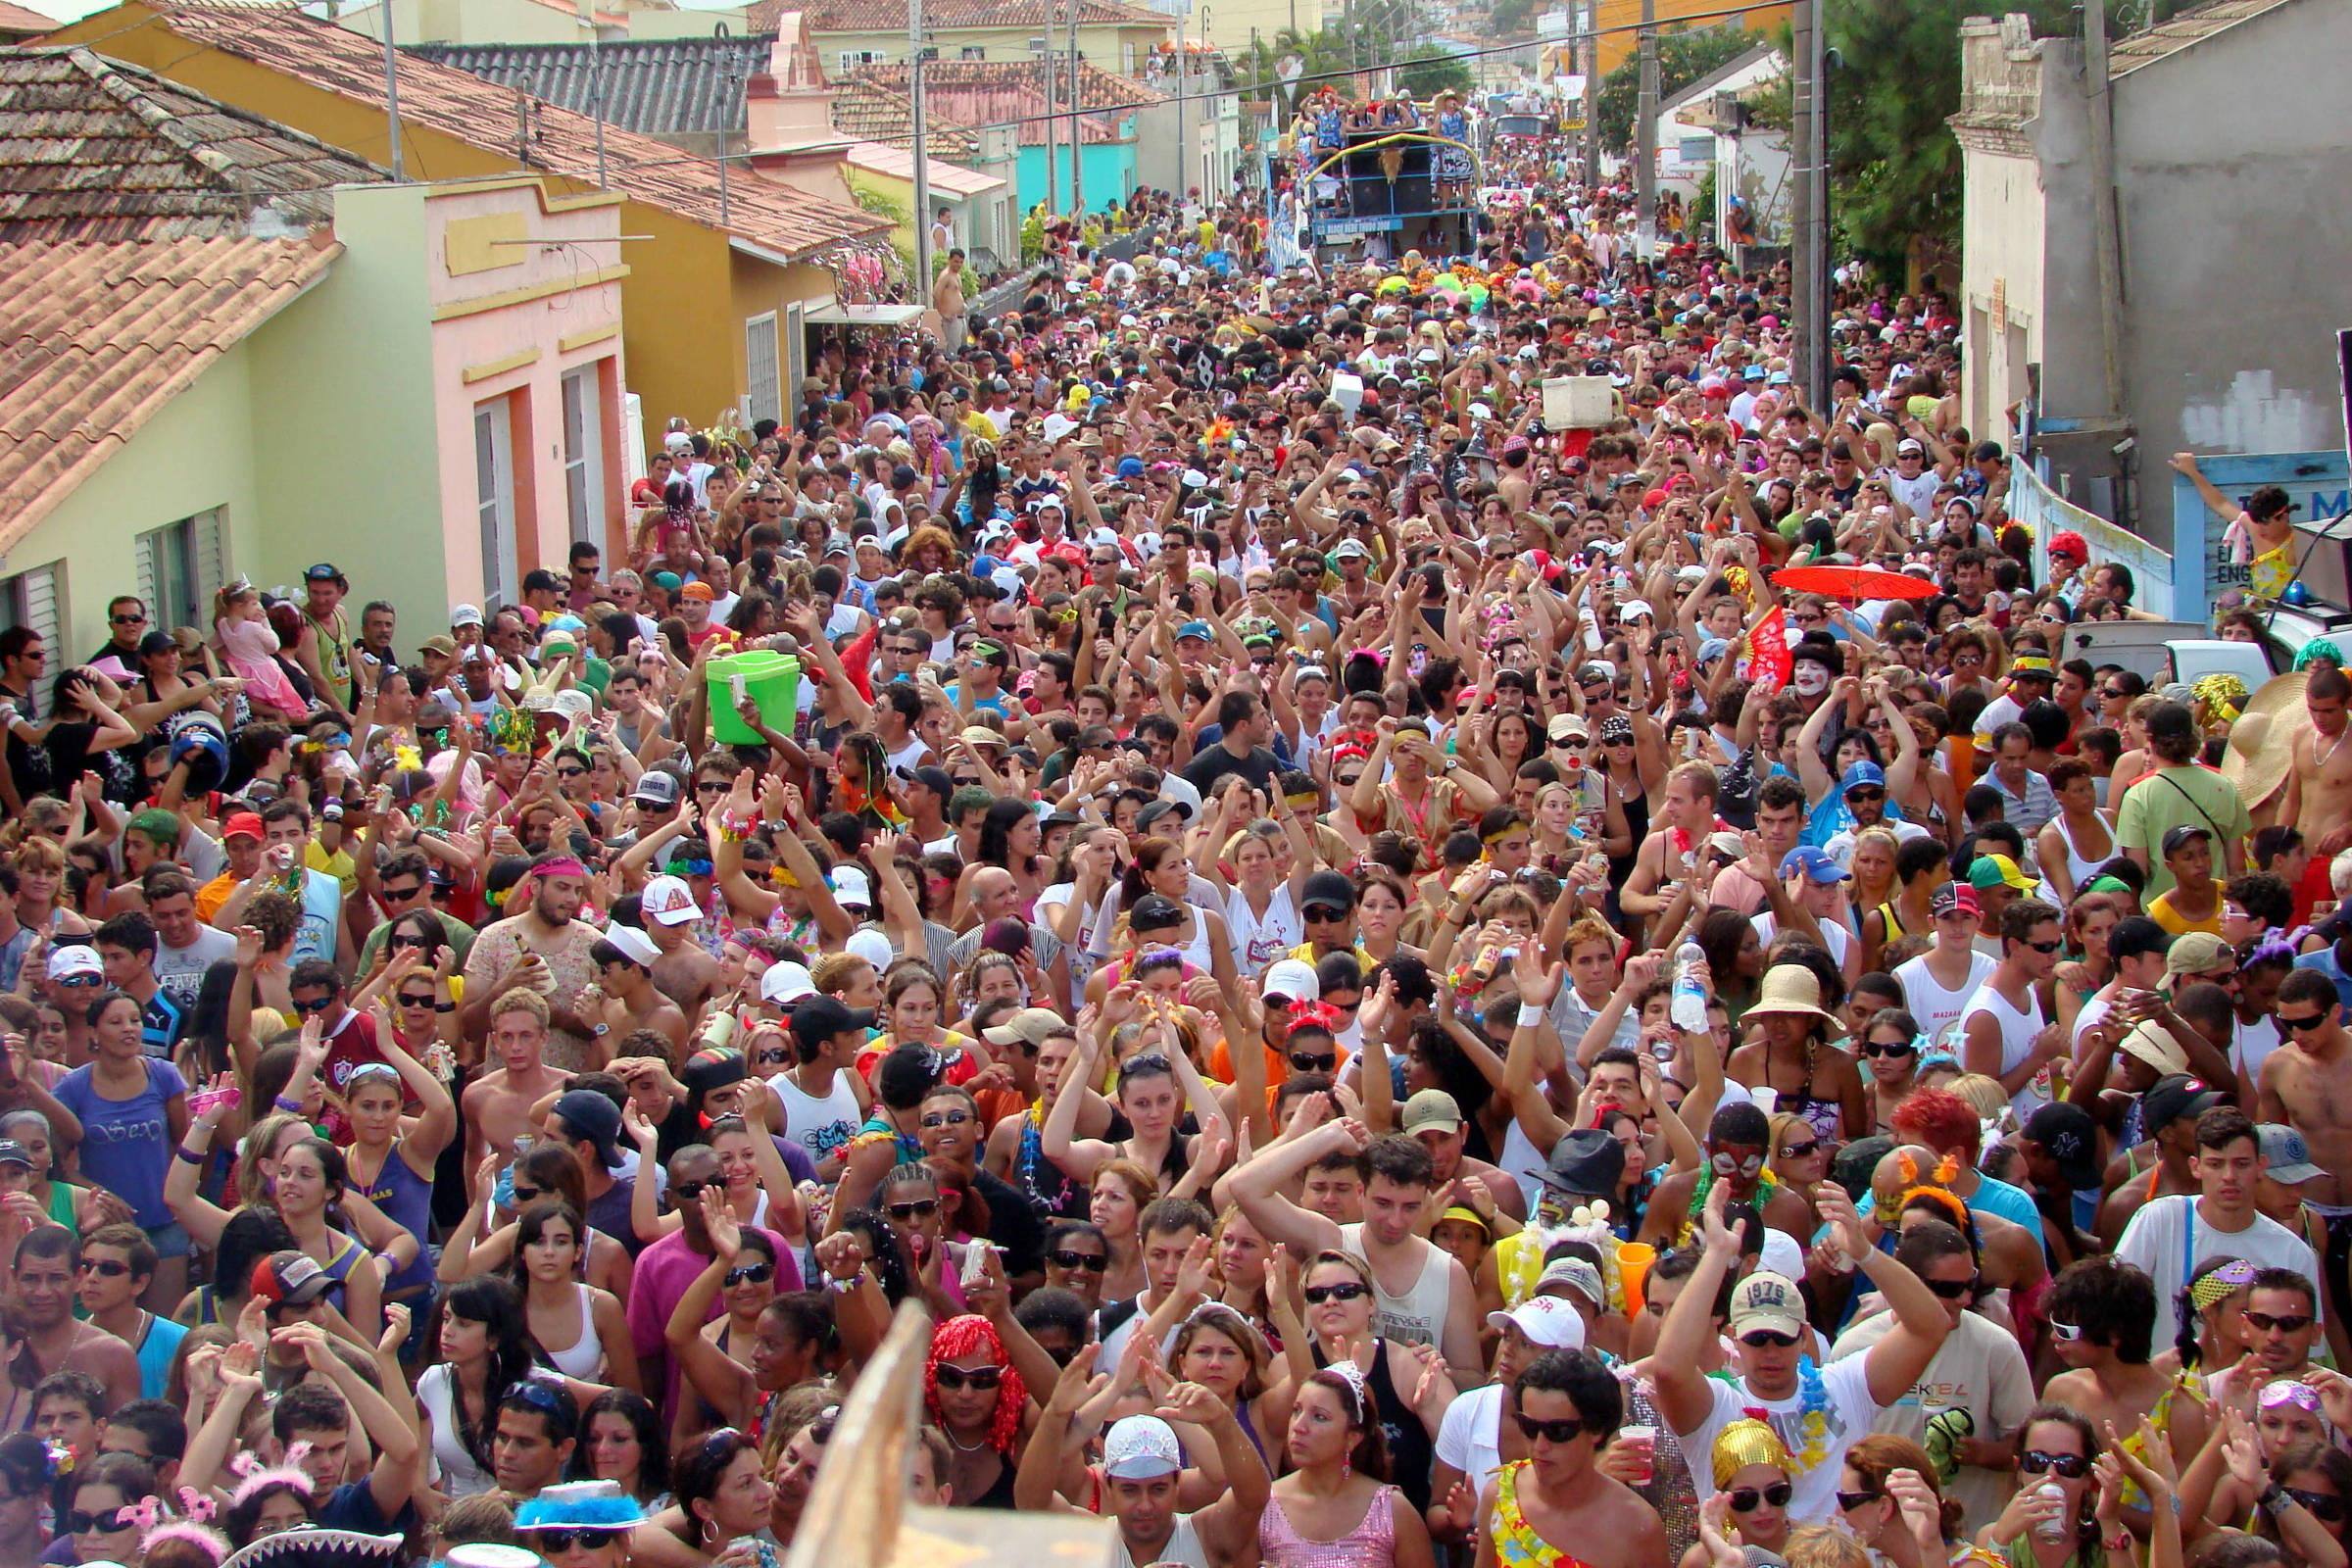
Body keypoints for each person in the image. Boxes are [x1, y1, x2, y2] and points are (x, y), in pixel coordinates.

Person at [1650, 1174, 1952, 1523]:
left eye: (1782, 1338)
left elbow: (1931, 1327)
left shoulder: (1845, 1385)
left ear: (1805, 1336)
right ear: (1733, 1337)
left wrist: (1864, 1252)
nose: (1770, 1351)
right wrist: (1717, 1255)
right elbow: (1668, 1370)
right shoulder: (1716, 1404)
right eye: (1757, 1339)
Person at [2116, 1104, 2323, 1350]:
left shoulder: (2294, 1253)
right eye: (2216, 1164)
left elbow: (2304, 1353)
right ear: (2196, 1167)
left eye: (2242, 1164)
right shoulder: (2159, 1218)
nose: (2229, 1176)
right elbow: (2114, 1306)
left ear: (2261, 1166)